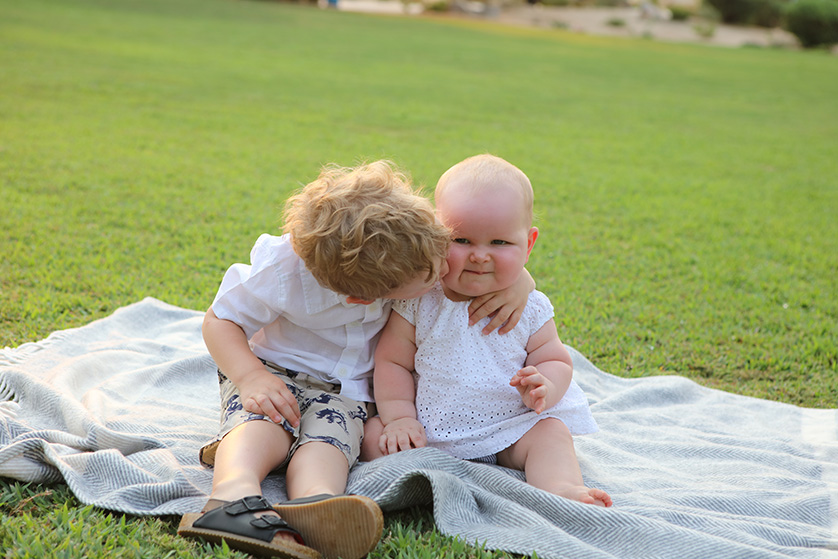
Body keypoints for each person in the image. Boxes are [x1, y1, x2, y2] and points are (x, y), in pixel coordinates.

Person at [179, 160, 534, 559]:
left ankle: (315, 505)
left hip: (346, 391)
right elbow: (221, 320)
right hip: (272, 372)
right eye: (430, 275)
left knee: (329, 441)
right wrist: (249, 378)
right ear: (366, 299)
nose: (444, 269)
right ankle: (230, 497)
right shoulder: (282, 269)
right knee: (262, 424)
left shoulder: (413, 245)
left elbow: (483, 254)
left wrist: (522, 280)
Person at [364, 154, 612, 507]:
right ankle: (419, 479)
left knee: (551, 432)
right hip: (428, 428)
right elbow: (392, 362)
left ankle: (561, 487)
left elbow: (555, 357)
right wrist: (400, 418)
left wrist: (547, 384)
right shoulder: (419, 299)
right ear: (435, 236)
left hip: (508, 428)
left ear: (528, 244)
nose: (480, 256)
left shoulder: (532, 305)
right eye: (461, 240)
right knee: (372, 434)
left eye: (499, 243)